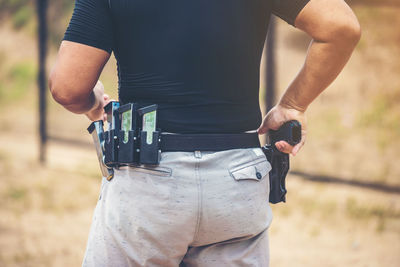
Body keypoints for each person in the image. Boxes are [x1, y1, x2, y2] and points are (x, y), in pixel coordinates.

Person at [49, 0, 361, 266]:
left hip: (147, 184)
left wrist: (94, 104)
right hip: (238, 180)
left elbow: (67, 88)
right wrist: (293, 105)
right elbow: (340, 27)